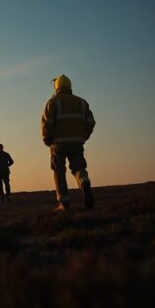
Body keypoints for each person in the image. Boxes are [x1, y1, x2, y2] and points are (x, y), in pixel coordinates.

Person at [41, 74, 96, 212]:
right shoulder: (82, 102)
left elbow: (47, 123)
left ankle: (64, 203)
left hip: (58, 144)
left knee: (59, 171)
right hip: (77, 143)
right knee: (78, 168)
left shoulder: (53, 102)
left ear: (57, 87)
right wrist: (83, 136)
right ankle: (84, 182)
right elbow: (91, 122)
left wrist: (47, 139)